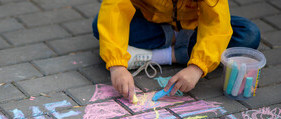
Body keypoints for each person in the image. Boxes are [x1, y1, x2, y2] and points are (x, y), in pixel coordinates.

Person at [92, 0, 261, 101]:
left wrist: (197, 67)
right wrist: (117, 66)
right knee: (99, 24)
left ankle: (163, 55)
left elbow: (216, 24)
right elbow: (115, 11)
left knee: (248, 34)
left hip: (194, 26)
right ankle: (179, 44)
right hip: (152, 23)